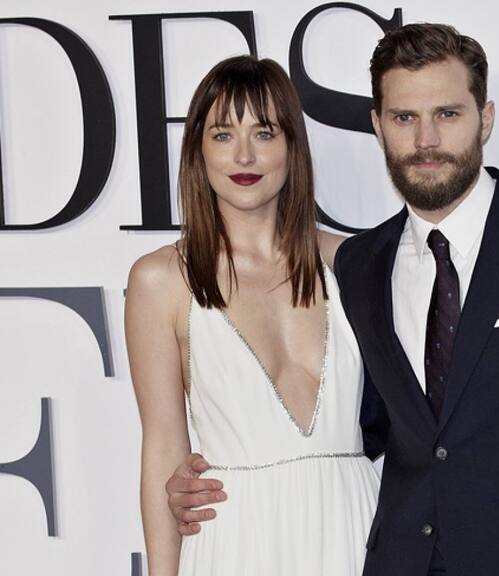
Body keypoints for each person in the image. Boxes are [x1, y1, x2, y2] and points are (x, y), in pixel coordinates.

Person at [167, 25, 499, 576]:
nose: (426, 140)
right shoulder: (362, 264)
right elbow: (360, 422)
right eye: (404, 118)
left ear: (485, 118)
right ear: (378, 126)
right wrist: (219, 472)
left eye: (447, 114)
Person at [125, 55, 379, 576]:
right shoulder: (161, 280)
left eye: (264, 133)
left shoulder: (351, 264)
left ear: (292, 146)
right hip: (237, 542)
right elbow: (164, 448)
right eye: (223, 134)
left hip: (355, 531)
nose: (244, 154)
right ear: (198, 150)